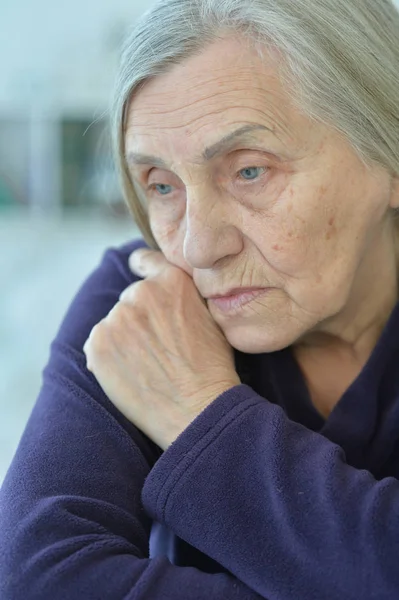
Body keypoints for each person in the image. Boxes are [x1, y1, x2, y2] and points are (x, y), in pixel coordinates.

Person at [1, 0, 399, 598]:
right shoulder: (142, 301)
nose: (197, 246)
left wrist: (197, 414)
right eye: (161, 185)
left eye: (250, 172)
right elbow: (38, 577)